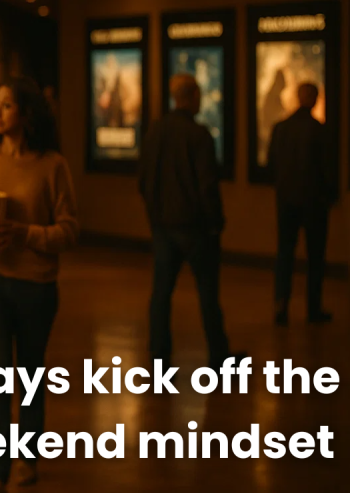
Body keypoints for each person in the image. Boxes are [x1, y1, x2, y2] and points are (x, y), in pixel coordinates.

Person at [0, 78, 78, 493]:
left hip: (36, 286)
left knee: (28, 376)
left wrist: (25, 233)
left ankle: (28, 454)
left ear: (25, 114)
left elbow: (68, 230)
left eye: (6, 106)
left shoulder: (52, 166)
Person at [139, 74, 245, 371]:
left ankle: (159, 360)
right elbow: (207, 186)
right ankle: (219, 357)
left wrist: (155, 215)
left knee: (161, 294)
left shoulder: (155, 131)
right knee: (208, 295)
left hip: (163, 227)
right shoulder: (199, 135)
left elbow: (144, 180)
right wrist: (215, 223)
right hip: (196, 229)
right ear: (192, 96)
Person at [269, 82, 335, 325]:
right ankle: (313, 308)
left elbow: (271, 165)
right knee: (315, 257)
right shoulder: (319, 130)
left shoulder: (281, 128)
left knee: (284, 253)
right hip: (314, 204)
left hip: (286, 201)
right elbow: (327, 170)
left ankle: (281, 307)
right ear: (315, 99)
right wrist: (329, 196)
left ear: (298, 98)